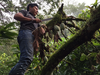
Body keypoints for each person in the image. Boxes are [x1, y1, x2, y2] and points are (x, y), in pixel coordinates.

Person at [9, 3, 41, 75]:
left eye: (37, 9)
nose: (37, 11)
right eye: (36, 8)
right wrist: (32, 20)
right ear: (30, 7)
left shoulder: (37, 21)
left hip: (33, 37)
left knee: (28, 59)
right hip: (26, 32)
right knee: (26, 58)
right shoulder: (25, 12)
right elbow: (16, 16)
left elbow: (42, 31)